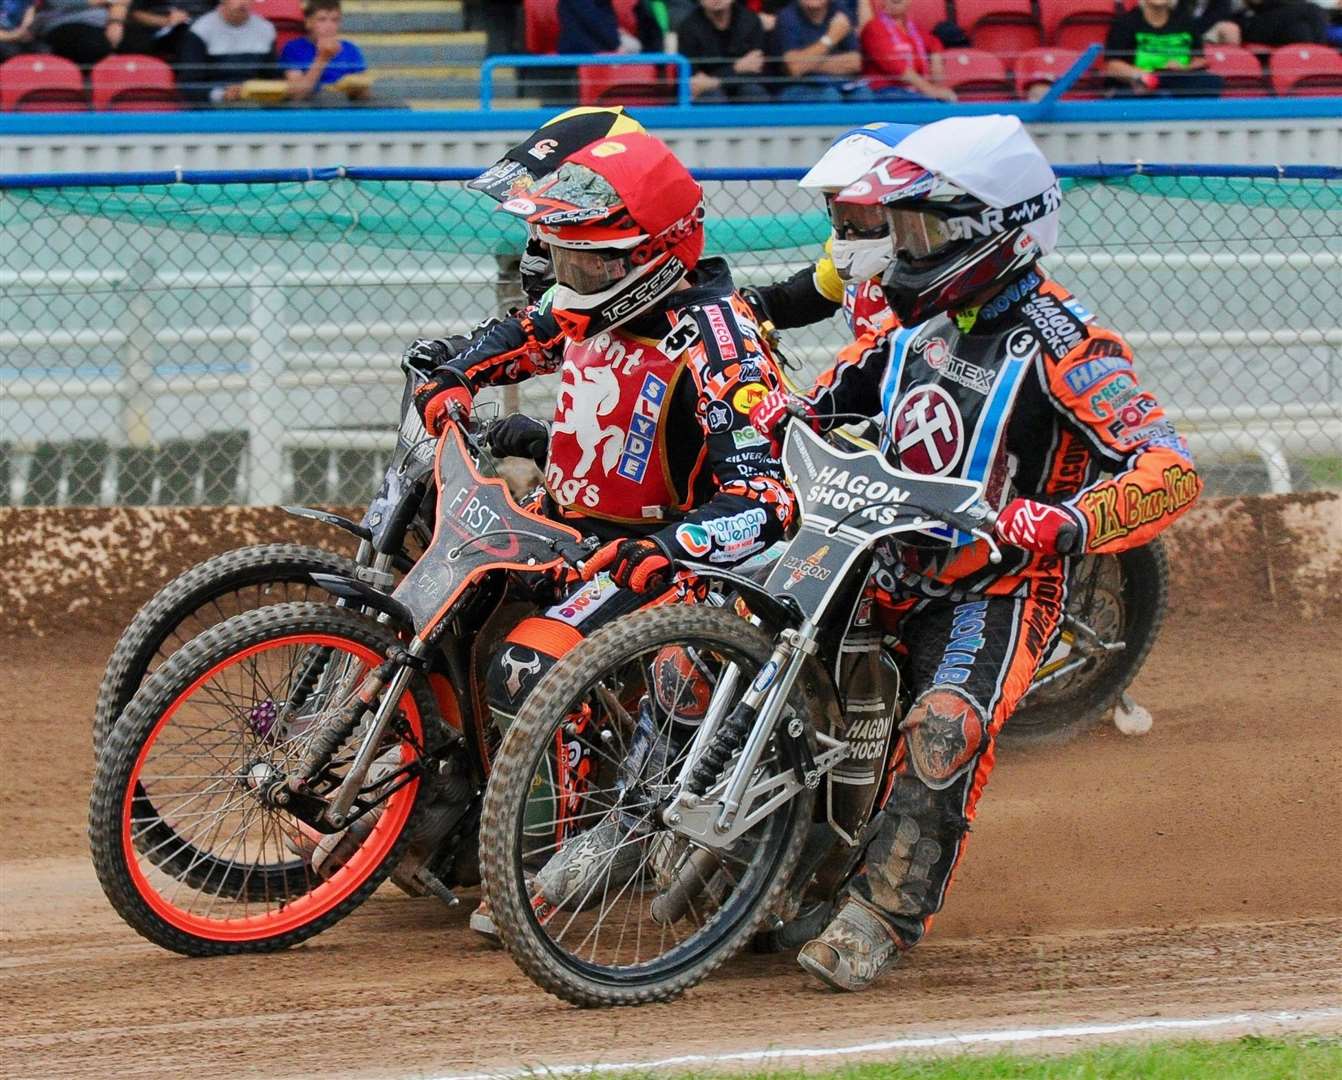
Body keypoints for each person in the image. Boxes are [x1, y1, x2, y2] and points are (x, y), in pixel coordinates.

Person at [748, 114, 1202, 991]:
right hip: (877, 547)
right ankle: (725, 854)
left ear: (995, 229)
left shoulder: (1069, 343)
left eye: (922, 229)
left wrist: (1063, 523)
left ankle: (879, 915)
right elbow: (834, 394)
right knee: (743, 627)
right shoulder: (922, 320)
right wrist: (770, 422)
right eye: (902, 228)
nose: (904, 248)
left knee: (946, 728)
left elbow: (1169, 471)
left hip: (999, 583)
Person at [413, 131, 797, 926]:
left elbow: (767, 502)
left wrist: (666, 550)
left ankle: (578, 839)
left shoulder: (722, 345)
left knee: (528, 665)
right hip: (580, 533)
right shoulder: (591, 300)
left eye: (588, 263)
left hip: (677, 556)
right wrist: (454, 375)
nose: (568, 279)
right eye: (562, 257)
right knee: (448, 593)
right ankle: (443, 791)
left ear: (651, 255)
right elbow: (526, 332)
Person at [1104, 0, 1224, 95]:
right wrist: (1140, 76)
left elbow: (1200, 59)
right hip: (1142, 82)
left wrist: (1184, 67)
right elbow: (1112, 65)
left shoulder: (1185, 22)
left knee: (1212, 82)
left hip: (1177, 80)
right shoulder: (1126, 23)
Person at [773, 0, 875, 101]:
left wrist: (807, 63)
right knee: (830, 95)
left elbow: (855, 63)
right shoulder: (787, 16)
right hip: (799, 86)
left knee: (864, 94)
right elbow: (794, 67)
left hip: (839, 83)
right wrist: (831, 38)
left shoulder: (840, 11)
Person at [860, 0, 956, 101]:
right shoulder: (873, 28)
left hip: (913, 92)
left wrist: (936, 59)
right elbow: (897, 67)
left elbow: (934, 43)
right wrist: (931, 90)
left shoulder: (913, 29)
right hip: (885, 92)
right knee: (933, 106)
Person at [676, 0, 771, 101]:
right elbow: (694, 81)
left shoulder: (751, 21)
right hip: (708, 92)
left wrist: (715, 80)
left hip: (743, 85)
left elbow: (756, 69)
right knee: (713, 96)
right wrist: (736, 68)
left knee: (753, 91)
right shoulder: (688, 27)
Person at [279, 0, 367, 100]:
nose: (329, 26)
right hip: (308, 111)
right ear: (308, 22)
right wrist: (322, 58)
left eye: (335, 20)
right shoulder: (293, 49)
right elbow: (297, 96)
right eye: (322, 19)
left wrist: (359, 90)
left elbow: (364, 95)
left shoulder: (351, 49)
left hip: (342, 109)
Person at [37, 0, 131, 65]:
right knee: (92, 46)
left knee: (135, 44)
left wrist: (115, 22)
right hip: (67, 22)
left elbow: (121, 3)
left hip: (109, 22)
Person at [1237, 0, 1329, 46]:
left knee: (1300, 32)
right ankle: (1319, 53)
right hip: (1255, 23)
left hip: (1288, 24)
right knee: (1313, 10)